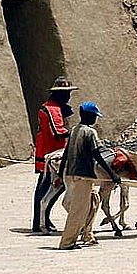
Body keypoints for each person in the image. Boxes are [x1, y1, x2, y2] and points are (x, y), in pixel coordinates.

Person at [57, 101, 122, 249]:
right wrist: (113, 174)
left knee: (94, 202)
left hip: (72, 173)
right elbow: (97, 154)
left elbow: (66, 153)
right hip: (84, 175)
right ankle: (67, 242)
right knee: (78, 211)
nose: (95, 119)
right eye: (94, 116)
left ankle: (88, 234)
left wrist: (61, 173)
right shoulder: (90, 132)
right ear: (88, 115)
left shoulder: (74, 129)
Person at [31, 76, 76, 233]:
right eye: (66, 93)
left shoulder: (52, 106)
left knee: (48, 187)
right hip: (50, 152)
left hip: (48, 149)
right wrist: (75, 134)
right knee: (49, 187)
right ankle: (40, 221)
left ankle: (43, 218)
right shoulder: (53, 109)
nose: (69, 96)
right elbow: (58, 132)